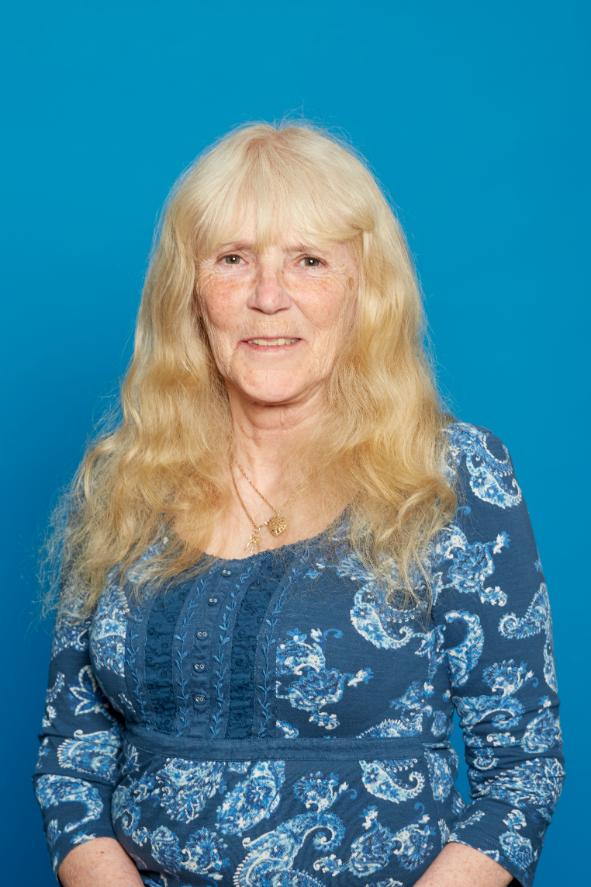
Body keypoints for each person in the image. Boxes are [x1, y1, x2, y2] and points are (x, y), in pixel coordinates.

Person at [32, 120, 566, 887]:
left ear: (363, 289)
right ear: (189, 291)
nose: (267, 297)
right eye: (232, 259)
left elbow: (520, 770)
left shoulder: (448, 474)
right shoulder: (120, 481)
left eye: (308, 260)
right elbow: (71, 760)